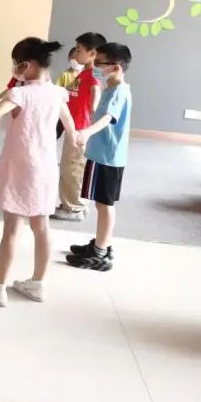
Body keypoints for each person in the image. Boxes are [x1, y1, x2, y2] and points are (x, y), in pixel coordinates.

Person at [0, 39, 76, 307]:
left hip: (20, 167)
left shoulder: (20, 94)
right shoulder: (58, 93)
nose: (15, 69)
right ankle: (37, 283)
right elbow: (71, 129)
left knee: (12, 228)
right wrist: (80, 138)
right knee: (41, 227)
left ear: (29, 65)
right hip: (46, 168)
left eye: (17, 64)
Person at [66, 42, 132, 272]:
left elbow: (108, 118)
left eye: (99, 63)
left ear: (115, 67)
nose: (94, 67)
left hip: (108, 157)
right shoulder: (110, 88)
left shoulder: (119, 90)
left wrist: (86, 132)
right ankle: (101, 244)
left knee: (105, 204)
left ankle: (100, 253)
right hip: (102, 154)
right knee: (101, 203)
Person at [52, 32, 105, 222]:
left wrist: (89, 127)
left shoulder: (94, 75)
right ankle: (72, 203)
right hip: (73, 127)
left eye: (79, 50)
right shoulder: (85, 72)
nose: (75, 54)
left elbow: (95, 101)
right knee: (69, 168)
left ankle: (74, 208)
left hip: (80, 130)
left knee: (74, 169)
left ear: (93, 53)